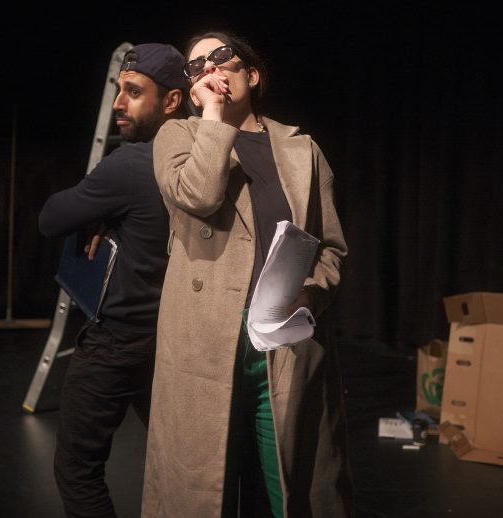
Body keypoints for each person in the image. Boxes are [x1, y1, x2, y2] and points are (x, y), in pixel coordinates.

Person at [141, 31, 354, 517]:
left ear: (252, 75)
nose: (209, 69)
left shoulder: (302, 149)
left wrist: (310, 296)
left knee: (288, 489)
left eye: (221, 57)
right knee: (202, 492)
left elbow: (332, 247)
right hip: (203, 342)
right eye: (196, 67)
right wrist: (212, 117)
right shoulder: (178, 137)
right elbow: (199, 196)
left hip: (281, 340)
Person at [38, 42, 188, 518]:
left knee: (77, 471)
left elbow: (50, 217)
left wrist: (96, 214)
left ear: (172, 101)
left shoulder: (129, 165)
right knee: (183, 466)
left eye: (134, 92)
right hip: (172, 341)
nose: (119, 104)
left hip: (118, 343)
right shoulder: (199, 160)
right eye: (119, 90)